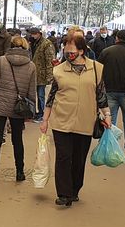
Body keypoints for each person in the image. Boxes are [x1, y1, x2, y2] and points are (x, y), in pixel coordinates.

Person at [40, 33, 106, 207]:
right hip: (62, 120)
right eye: (66, 51)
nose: (69, 55)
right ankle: (63, 194)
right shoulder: (58, 70)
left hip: (85, 121)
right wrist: (45, 120)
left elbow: (101, 95)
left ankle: (75, 189)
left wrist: (107, 116)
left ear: (82, 51)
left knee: (78, 159)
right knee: (63, 157)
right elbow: (51, 97)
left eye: (72, 52)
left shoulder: (96, 69)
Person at [0, 35, 37, 183]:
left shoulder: (2, 60)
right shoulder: (31, 65)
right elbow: (32, 91)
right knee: (17, 140)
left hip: (0, 106)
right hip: (18, 108)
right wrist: (31, 108)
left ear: (11, 45)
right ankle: (20, 172)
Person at [97, 29, 125, 155]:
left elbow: (98, 71)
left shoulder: (106, 52)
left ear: (116, 38)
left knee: (110, 119)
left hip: (110, 90)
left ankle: (108, 146)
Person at [28, 27, 53, 122]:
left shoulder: (46, 44)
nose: (32, 35)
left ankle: (42, 113)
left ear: (39, 34)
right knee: (34, 95)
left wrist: (49, 76)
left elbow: (49, 60)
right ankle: (37, 112)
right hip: (34, 73)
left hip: (41, 74)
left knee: (41, 95)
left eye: (34, 34)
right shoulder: (33, 43)